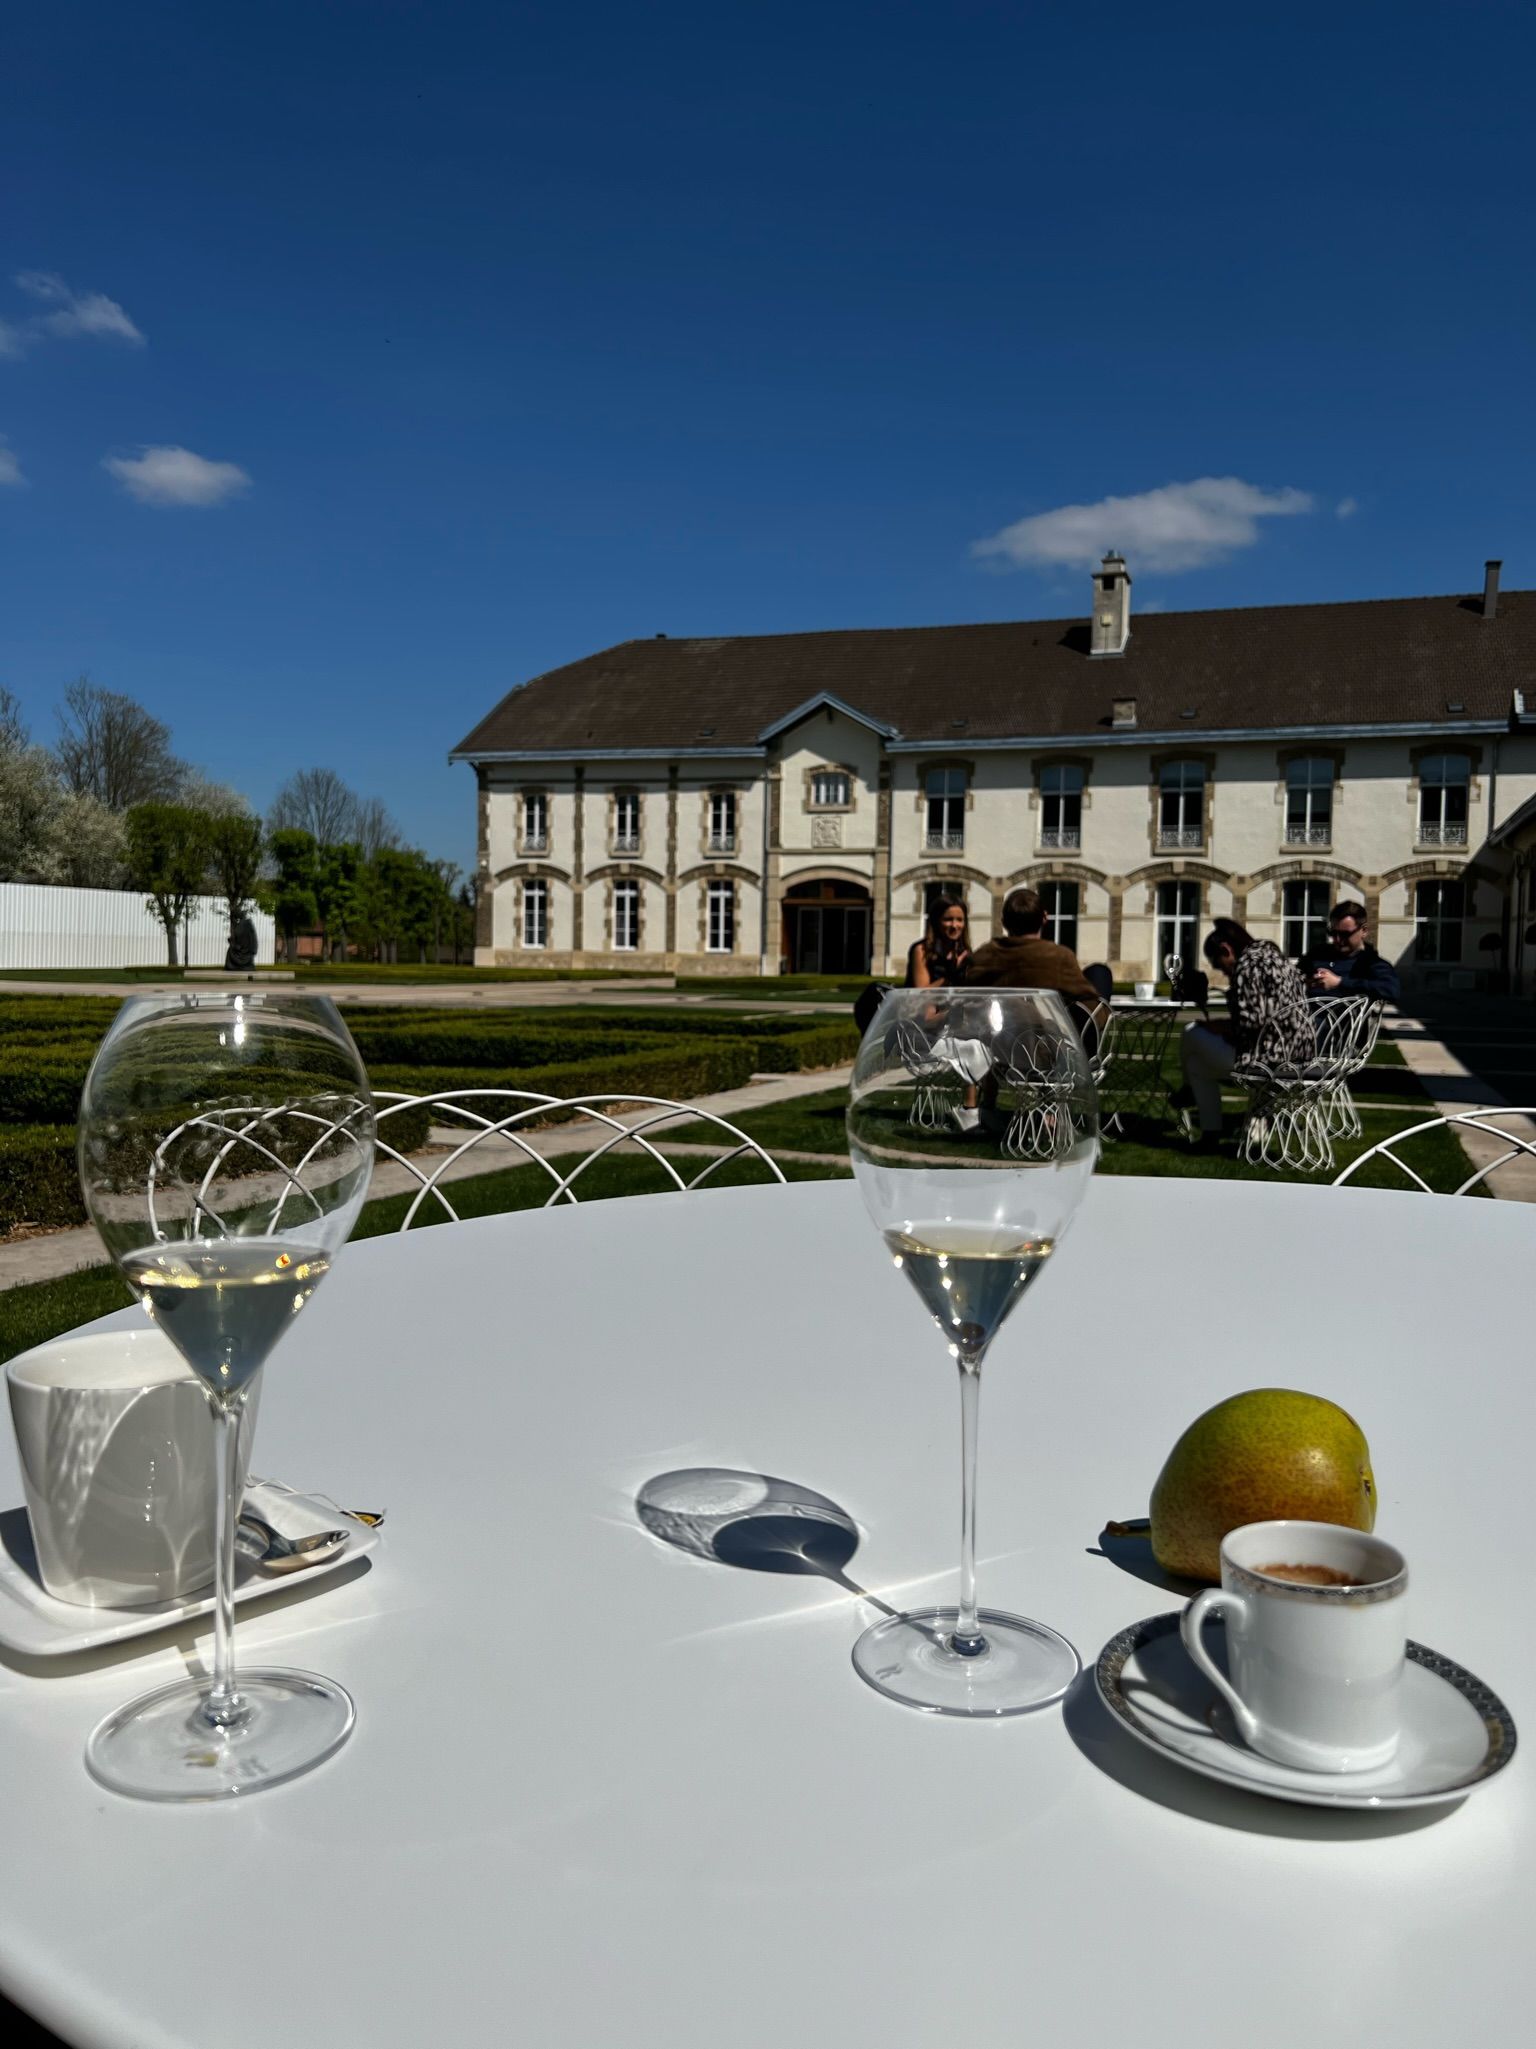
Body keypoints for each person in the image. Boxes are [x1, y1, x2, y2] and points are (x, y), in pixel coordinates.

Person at [1175, 917, 1314, 1148]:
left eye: (1221, 966)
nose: (1226, 974)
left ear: (1226, 949)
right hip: (1299, 1053)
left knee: (1191, 1032)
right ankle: (1210, 1134)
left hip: (1269, 1058)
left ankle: (1188, 1091)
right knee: (1196, 1066)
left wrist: (1219, 1028)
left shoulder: (1247, 967)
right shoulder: (1276, 959)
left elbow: (1253, 1024)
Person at [1308, 900, 1400, 1001]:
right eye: (1333, 933)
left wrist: (1339, 982)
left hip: (1342, 1015)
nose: (1338, 939)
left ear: (1364, 931)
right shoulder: (1317, 953)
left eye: (1345, 934)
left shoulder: (1371, 963)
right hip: (1302, 1012)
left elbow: (1391, 990)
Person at [906, 894, 971, 987]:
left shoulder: (963, 952)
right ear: (936, 921)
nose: (954, 925)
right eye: (948, 919)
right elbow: (922, 995)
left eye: (959, 920)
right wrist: (951, 975)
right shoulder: (922, 950)